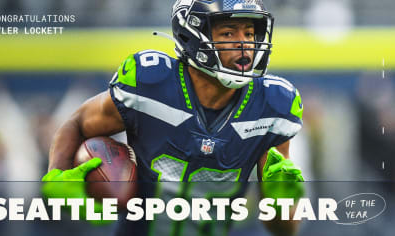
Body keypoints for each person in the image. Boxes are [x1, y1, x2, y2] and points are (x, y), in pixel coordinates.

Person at [42, 0, 305, 235]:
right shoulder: (151, 84)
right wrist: (57, 173)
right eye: (228, 33)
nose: (244, 44)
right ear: (192, 34)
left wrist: (280, 203)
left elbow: (283, 230)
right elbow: (77, 122)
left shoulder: (272, 106)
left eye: (249, 33)